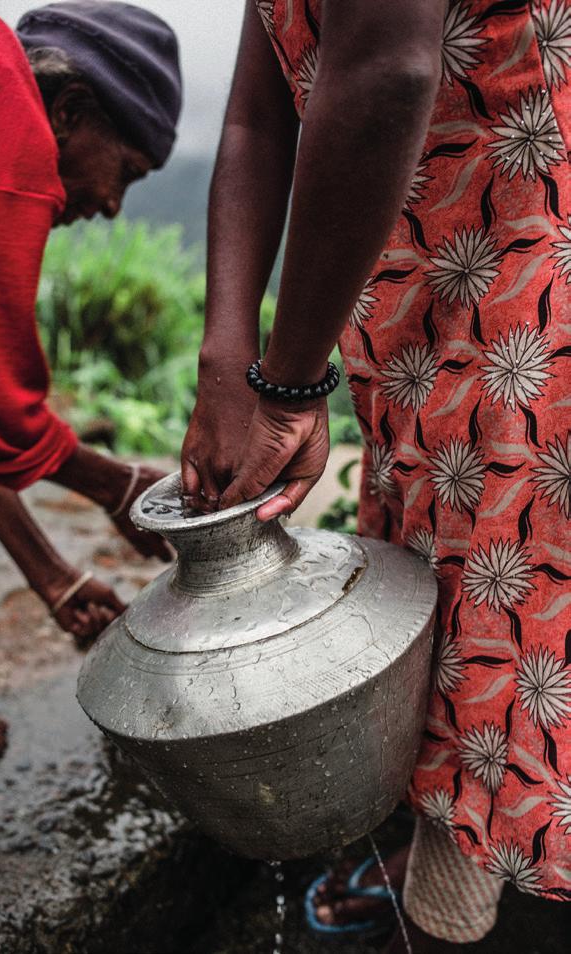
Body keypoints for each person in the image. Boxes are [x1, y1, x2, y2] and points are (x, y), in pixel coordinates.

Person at [181, 0, 571, 950]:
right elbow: (253, 116)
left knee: (521, 644)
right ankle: (462, 859)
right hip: (414, 341)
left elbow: (389, 69)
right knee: (458, 642)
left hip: (532, 317)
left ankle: (467, 906)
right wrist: (227, 355)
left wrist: (284, 384)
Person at [0, 0, 182, 771]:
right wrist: (115, 483)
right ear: (71, 110)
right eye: (127, 173)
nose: (111, 205)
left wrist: (53, 574)